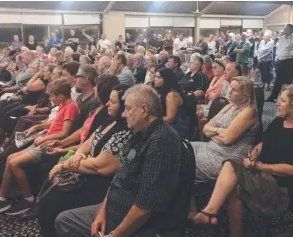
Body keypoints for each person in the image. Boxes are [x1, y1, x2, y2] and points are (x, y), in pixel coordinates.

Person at [192, 84, 293, 237]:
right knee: (231, 173)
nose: (277, 103)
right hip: (266, 177)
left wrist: (259, 166)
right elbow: (264, 143)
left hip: (287, 188)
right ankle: (215, 215)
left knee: (232, 178)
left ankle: (211, 213)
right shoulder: (279, 122)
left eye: (282, 101)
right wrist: (254, 153)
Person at [55, 84, 184, 237]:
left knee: (65, 221)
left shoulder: (161, 140)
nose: (123, 114)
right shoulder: (139, 133)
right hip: (113, 208)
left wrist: (115, 234)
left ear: (143, 110)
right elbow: (118, 178)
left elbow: (146, 206)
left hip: (134, 221)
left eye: (128, 109)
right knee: (64, 219)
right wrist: (101, 213)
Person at [38, 84, 132, 237]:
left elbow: (101, 166)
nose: (108, 103)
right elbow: (87, 143)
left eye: (113, 101)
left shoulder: (126, 132)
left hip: (100, 184)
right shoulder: (109, 121)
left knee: (52, 207)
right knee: (48, 198)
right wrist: (77, 155)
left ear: (124, 107)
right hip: (85, 172)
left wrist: (65, 165)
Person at [0, 79, 79, 218]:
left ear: (60, 96)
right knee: (10, 158)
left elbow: (65, 132)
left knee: (14, 162)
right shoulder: (63, 105)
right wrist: (37, 127)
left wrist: (44, 138)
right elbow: (54, 123)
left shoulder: (71, 107)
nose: (50, 99)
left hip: (49, 143)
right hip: (44, 139)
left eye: (52, 96)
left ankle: (28, 199)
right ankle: (2, 198)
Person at [191, 76, 259, 182]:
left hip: (228, 157)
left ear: (245, 95)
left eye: (234, 90)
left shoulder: (249, 111)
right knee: (181, 147)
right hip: (211, 148)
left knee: (183, 161)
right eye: (230, 88)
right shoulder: (229, 106)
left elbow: (227, 139)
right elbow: (205, 129)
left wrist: (214, 132)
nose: (229, 91)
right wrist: (219, 131)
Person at [266, 24, 293, 102]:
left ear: (291, 30)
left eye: (287, 29)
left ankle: (286, 98)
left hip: (289, 62)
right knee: (278, 80)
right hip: (279, 61)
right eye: (284, 29)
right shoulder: (280, 39)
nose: (285, 30)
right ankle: (273, 97)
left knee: (287, 81)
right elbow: (277, 49)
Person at [154, 67, 189, 137]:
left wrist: (151, 120)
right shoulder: (162, 92)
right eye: (155, 76)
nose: (155, 79)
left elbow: (170, 119)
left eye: (159, 77)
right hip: (166, 126)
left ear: (166, 79)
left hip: (176, 128)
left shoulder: (172, 95)